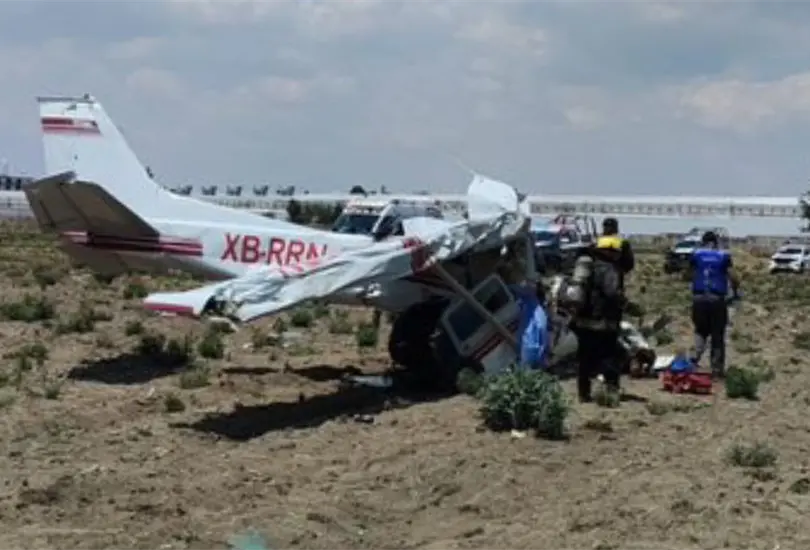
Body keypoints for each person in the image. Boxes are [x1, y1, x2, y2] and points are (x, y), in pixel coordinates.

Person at [569, 240, 625, 403]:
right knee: (609, 356)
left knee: (585, 360)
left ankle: (583, 393)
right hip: (603, 322)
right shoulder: (609, 269)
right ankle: (610, 392)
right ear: (608, 251)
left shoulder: (587, 267)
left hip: (583, 321)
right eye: (615, 251)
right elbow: (612, 293)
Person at [689, 230, 740, 378]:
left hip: (698, 298)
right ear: (715, 242)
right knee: (717, 334)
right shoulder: (723, 255)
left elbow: (689, 273)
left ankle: (693, 359)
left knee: (700, 330)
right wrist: (735, 292)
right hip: (717, 298)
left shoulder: (696, 255)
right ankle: (717, 369)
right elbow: (733, 277)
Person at [510, 278, 549, 371]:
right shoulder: (527, 304)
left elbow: (542, 331)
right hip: (527, 347)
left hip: (530, 349)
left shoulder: (535, 310)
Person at [600, 217, 634, 289]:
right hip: (612, 280)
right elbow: (629, 263)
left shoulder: (596, 242)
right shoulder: (623, 243)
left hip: (603, 281)